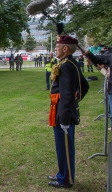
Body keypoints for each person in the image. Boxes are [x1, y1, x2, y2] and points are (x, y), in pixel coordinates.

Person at [48, 35, 89, 188]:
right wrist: (76, 99)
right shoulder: (70, 63)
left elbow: (66, 94)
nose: (55, 49)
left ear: (65, 49)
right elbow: (84, 86)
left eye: (57, 47)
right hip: (64, 111)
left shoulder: (66, 66)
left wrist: (65, 115)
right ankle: (62, 175)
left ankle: (66, 179)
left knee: (64, 148)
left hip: (63, 114)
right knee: (62, 147)